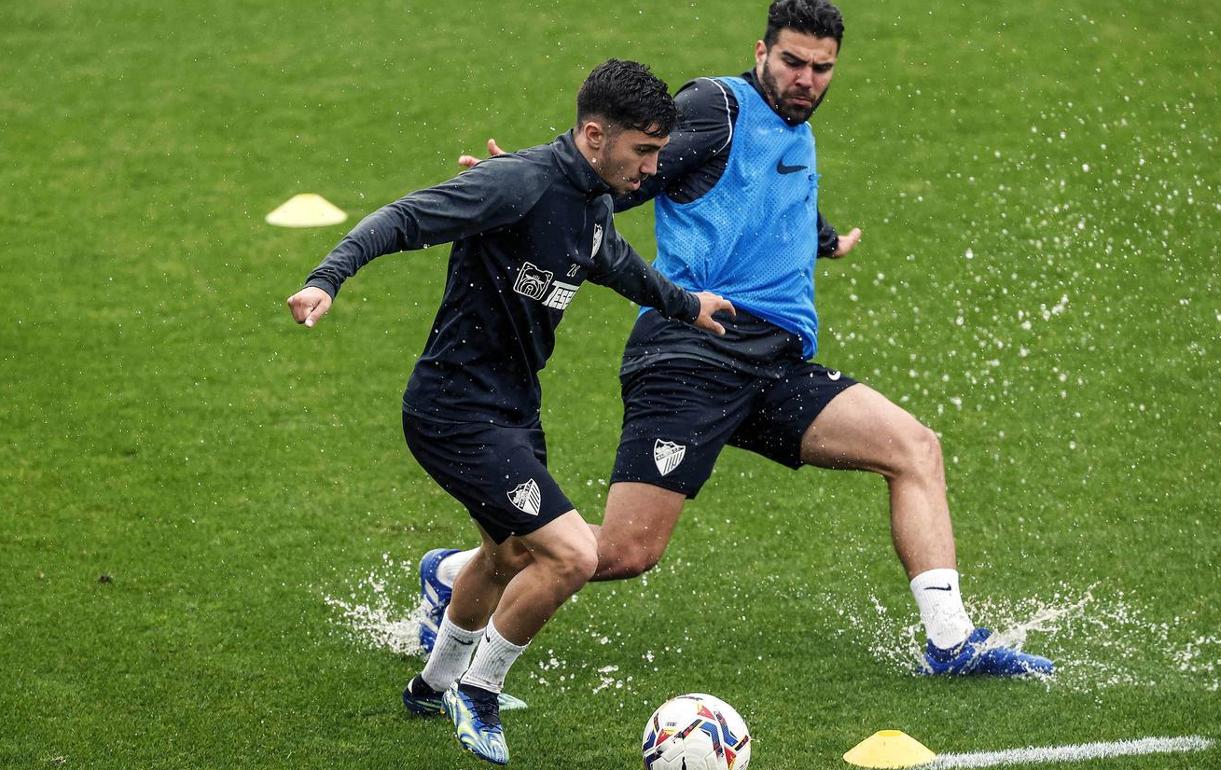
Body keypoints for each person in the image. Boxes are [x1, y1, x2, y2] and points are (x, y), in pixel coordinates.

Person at [424, 0, 1053, 678]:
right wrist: (525, 177)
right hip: (691, 355)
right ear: (761, 52)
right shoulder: (715, 111)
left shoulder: (795, 130)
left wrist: (825, 240)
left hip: (774, 362)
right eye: (792, 62)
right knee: (628, 552)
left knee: (914, 448)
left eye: (822, 67)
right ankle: (460, 574)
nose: (806, 78)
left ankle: (951, 642)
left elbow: (782, 193)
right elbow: (621, 175)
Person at [286, 59, 735, 765]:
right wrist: (326, 279)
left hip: (511, 410)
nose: (653, 169)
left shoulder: (591, 201)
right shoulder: (517, 183)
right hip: (453, 410)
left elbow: (618, 265)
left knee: (507, 555)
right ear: (595, 134)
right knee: (573, 554)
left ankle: (432, 686)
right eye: (644, 151)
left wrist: (688, 305)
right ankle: (480, 689)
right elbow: (406, 217)